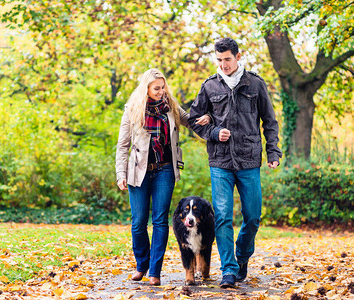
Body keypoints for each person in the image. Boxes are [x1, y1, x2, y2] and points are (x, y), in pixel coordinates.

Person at [188, 38, 282, 288]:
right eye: (219, 60)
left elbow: (270, 122)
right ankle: (228, 270)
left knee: (252, 217)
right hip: (220, 161)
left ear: (238, 57)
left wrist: (273, 152)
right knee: (222, 217)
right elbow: (194, 119)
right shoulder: (209, 86)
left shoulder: (255, 83)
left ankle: (241, 257)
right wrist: (214, 132)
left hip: (249, 160)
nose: (223, 64)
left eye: (227, 59)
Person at [115, 68, 210, 286]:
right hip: (138, 171)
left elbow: (189, 120)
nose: (161, 91)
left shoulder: (171, 106)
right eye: (156, 88)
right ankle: (142, 265)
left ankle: (154, 272)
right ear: (146, 88)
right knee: (138, 221)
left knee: (160, 220)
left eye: (162, 87)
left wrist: (205, 120)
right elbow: (122, 145)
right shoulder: (132, 109)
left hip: (165, 169)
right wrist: (120, 173)